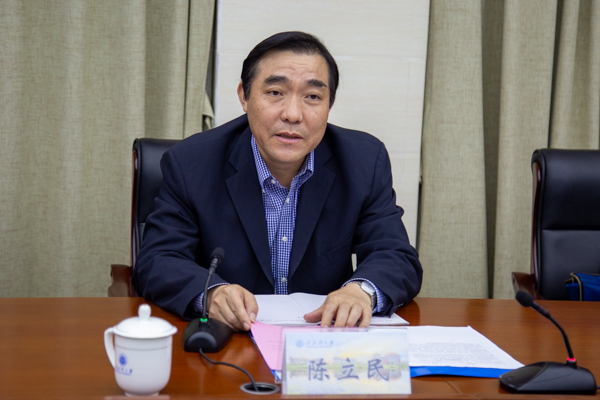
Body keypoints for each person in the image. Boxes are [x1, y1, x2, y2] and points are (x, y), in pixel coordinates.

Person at [133, 31, 423, 331]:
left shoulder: (363, 161)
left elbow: (395, 255)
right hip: (231, 340)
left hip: (324, 340)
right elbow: (158, 259)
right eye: (275, 92)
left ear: (329, 105)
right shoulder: (191, 163)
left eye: (313, 97)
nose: (293, 114)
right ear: (244, 96)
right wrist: (211, 294)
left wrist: (361, 291)